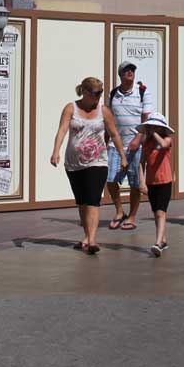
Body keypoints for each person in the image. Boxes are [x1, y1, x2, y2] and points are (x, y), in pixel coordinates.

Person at [50, 77, 126, 254]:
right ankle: (86, 236)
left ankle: (92, 240)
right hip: (74, 164)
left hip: (97, 161)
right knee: (82, 201)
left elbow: (114, 134)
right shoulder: (71, 108)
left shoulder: (103, 111)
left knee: (93, 199)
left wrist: (122, 155)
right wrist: (55, 151)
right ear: (84, 92)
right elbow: (62, 130)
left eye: (101, 93)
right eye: (95, 93)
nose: (99, 97)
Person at [105, 61, 153, 231]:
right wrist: (105, 141)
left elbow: (146, 120)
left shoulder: (142, 92)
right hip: (116, 145)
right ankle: (119, 212)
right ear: (120, 74)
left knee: (134, 183)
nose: (130, 72)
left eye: (132, 69)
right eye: (126, 70)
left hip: (137, 146)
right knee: (110, 179)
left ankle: (132, 216)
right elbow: (108, 119)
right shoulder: (113, 94)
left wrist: (138, 138)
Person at [137, 113, 175, 257]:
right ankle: (163, 239)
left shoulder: (166, 139)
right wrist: (141, 181)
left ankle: (158, 243)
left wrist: (154, 133)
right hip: (151, 182)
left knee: (161, 212)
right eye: (150, 126)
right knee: (156, 213)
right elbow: (141, 162)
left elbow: (164, 145)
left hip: (164, 181)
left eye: (155, 127)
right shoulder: (146, 143)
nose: (152, 129)